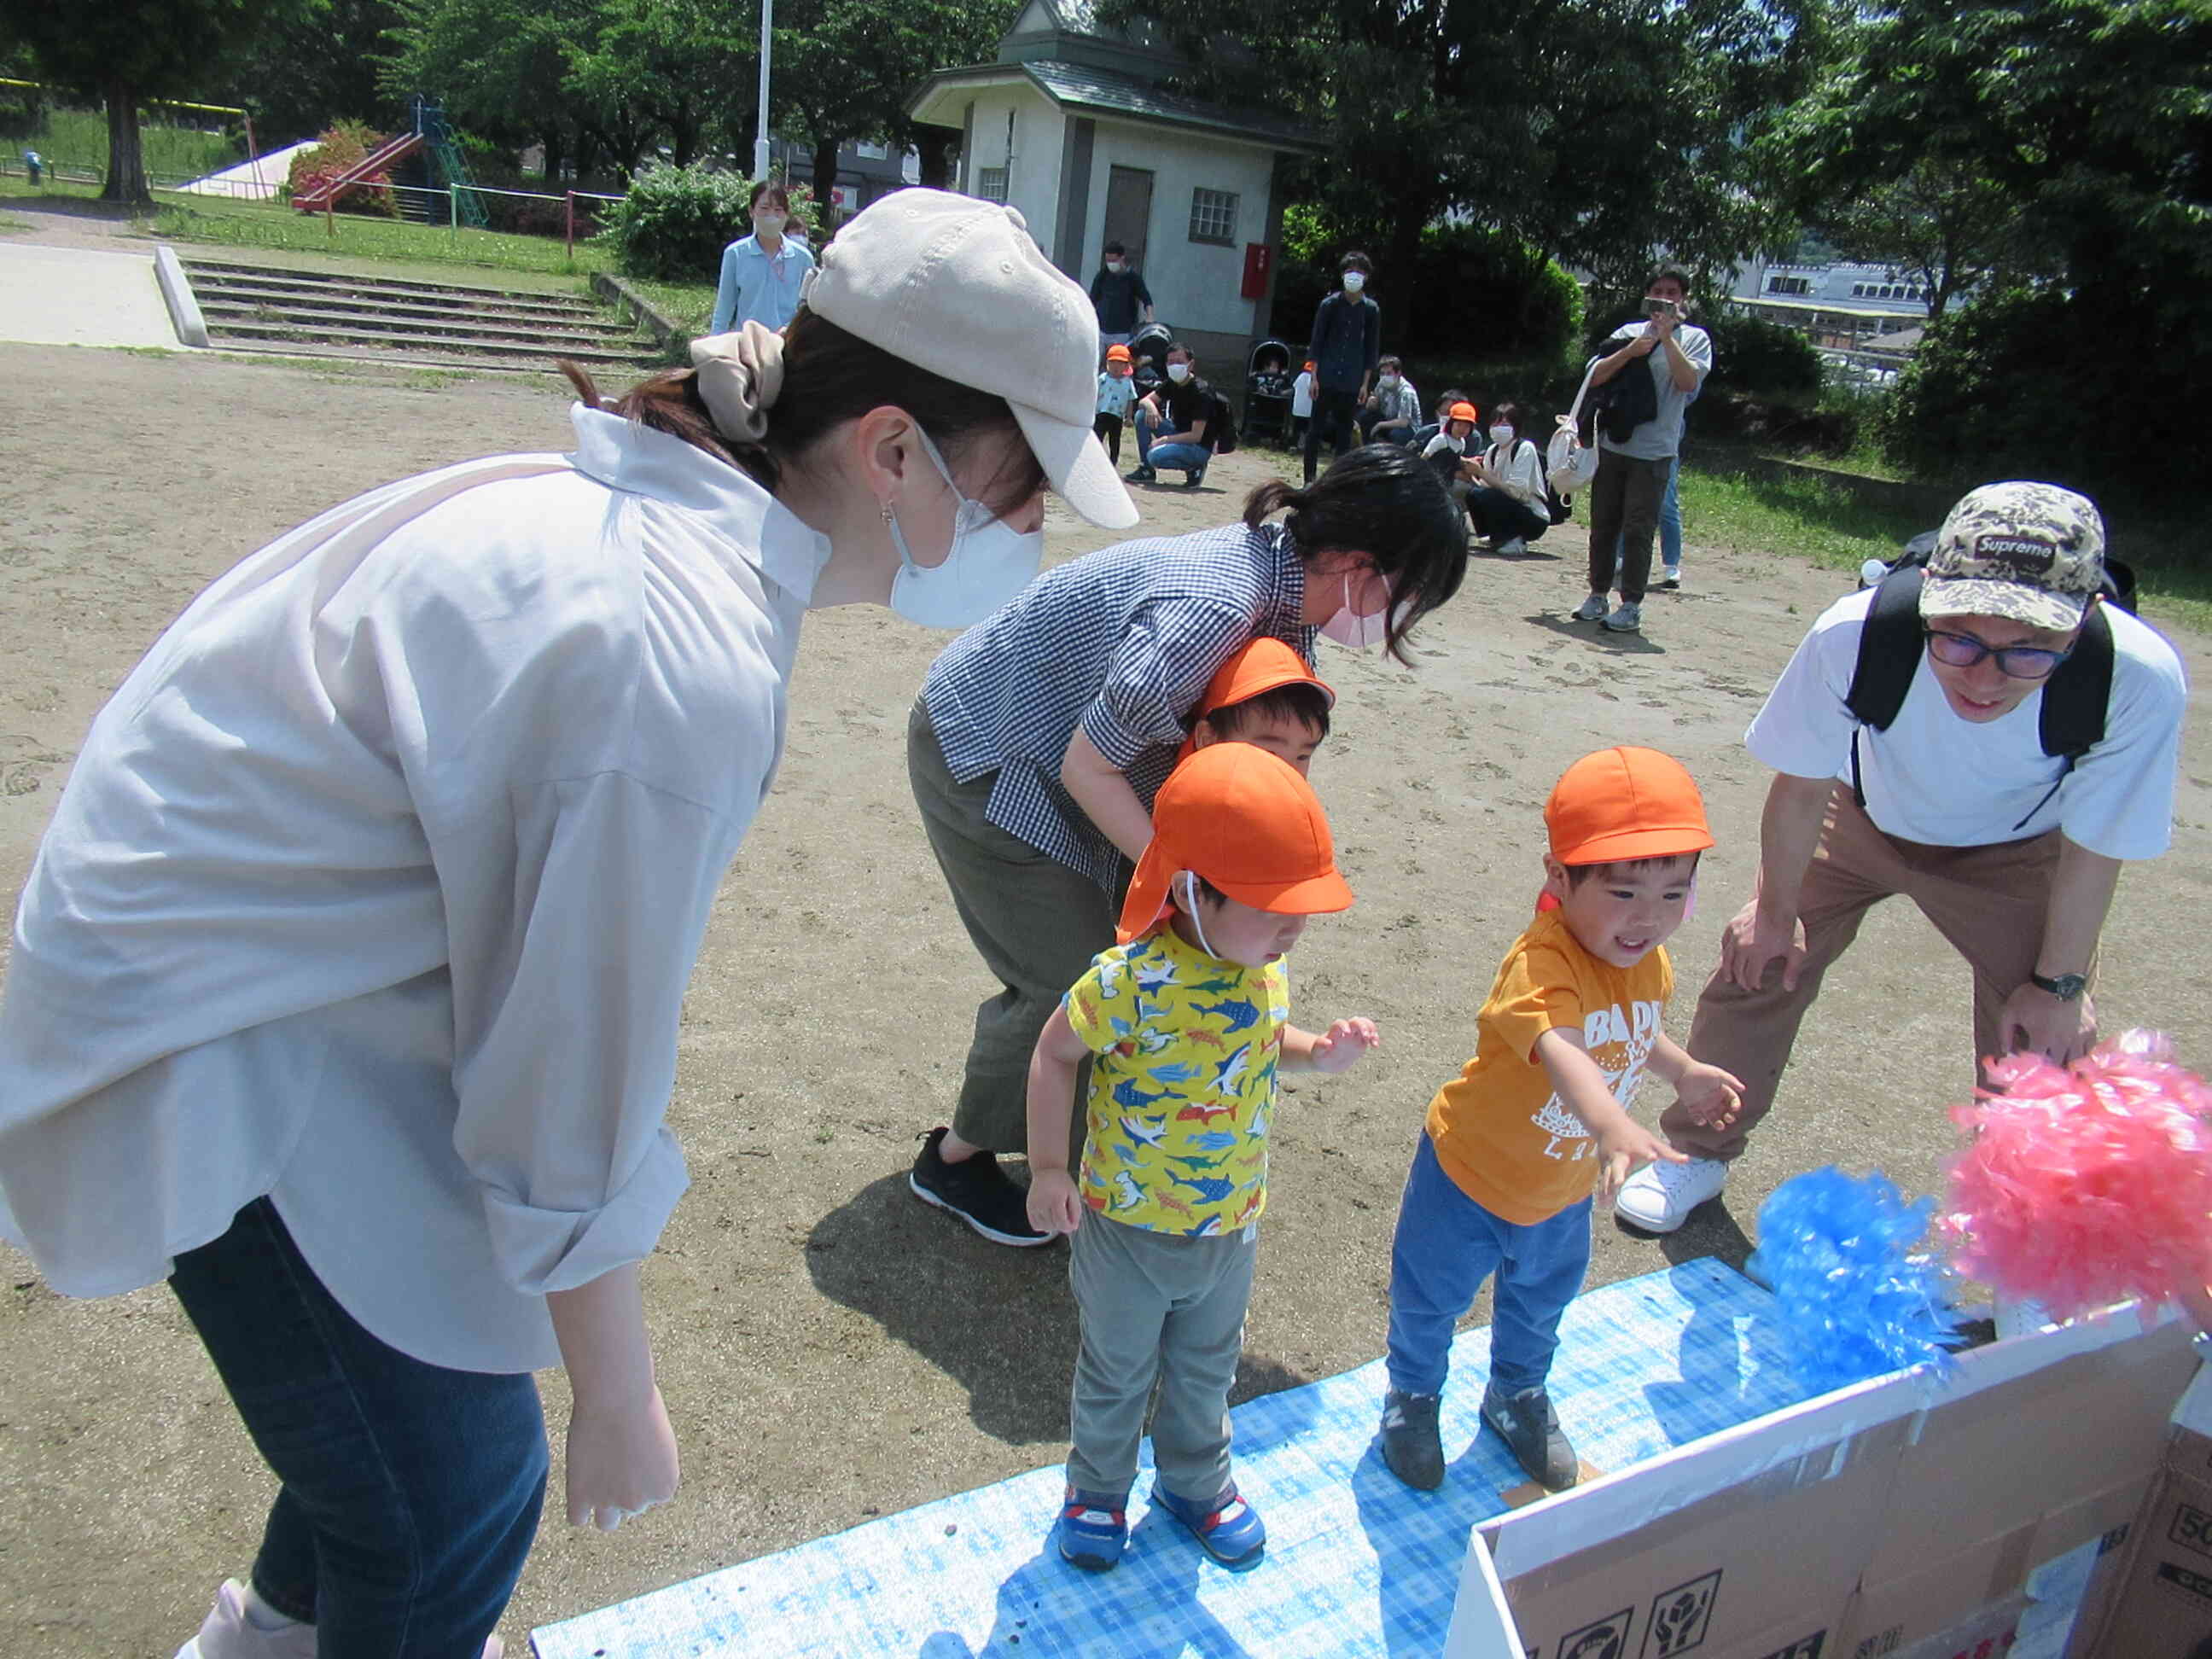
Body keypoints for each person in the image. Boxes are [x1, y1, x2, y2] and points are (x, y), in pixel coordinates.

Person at [0, 189, 1138, 1659]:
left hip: (265, 964)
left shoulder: (664, 532)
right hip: (212, 1019)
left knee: (393, 1444)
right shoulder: (674, 651)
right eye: (1023, 489)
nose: (1030, 531)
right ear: (894, 448)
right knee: (459, 1487)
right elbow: (564, 1077)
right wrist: (615, 1388)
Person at [906, 448, 1466, 1247]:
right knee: (1069, 972)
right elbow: (1087, 765)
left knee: (1138, 960)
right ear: (1352, 562)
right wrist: (1185, 877)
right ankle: (956, 1161)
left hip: (1082, 763)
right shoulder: (1217, 602)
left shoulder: (1289, 606)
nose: (1398, 623)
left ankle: (1075, 1145)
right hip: (992, 748)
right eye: (1406, 596)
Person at [1615, 483, 2190, 1235]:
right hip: (1858, 817)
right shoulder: (1856, 634)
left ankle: (2014, 1228)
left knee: (2041, 1039)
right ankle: (1697, 1150)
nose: (1984, 678)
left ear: (2081, 624)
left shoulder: (2137, 677)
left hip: (2019, 850)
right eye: (1957, 639)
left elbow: (2095, 846)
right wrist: (1775, 914)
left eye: (2027, 650)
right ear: (1926, 599)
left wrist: (2060, 982)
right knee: (1755, 965)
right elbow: (1798, 790)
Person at [1026, 742, 1378, 1570]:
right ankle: (1098, 1491)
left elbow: (1255, 1044)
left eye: (1302, 910)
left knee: (1206, 1372)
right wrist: (1048, 1167)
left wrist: (1314, 1053)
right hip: (1127, 1229)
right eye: (1273, 906)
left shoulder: (1261, 968)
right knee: (1116, 1373)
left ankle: (1195, 1480)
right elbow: (1053, 1055)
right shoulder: (1128, 982)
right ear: (1191, 890)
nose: (1293, 927)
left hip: (1229, 1229)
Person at [1378, 748, 1742, 1493]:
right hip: (1471, 1177)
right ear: (1558, 877)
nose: (1649, 919)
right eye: (1623, 892)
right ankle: (1411, 1398)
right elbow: (1563, 1046)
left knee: (1541, 1303)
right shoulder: (1540, 964)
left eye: (1675, 894)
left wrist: (1682, 1070)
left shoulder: (1648, 960)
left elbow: (1634, 1031)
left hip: (1562, 1188)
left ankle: (1516, 1395)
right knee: (1431, 1300)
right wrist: (1610, 1121)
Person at [1571, 269, 1712, 634]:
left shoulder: (1695, 339)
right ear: (1647, 295)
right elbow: (1595, 377)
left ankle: (1631, 603)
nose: (1665, 298)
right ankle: (1597, 593)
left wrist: (1667, 339)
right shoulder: (1626, 333)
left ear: (1684, 299)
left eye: (1673, 293)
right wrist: (1633, 350)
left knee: (1639, 527)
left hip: (1655, 451)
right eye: (1658, 291)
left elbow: (1688, 383)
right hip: (1613, 443)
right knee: (1603, 523)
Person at [1174, 636, 1335, 771]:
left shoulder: (1289, 801)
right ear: (1208, 738)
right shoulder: (1184, 800)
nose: (1289, 772)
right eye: (1269, 755)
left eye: (1303, 757)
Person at [1305, 253, 1381, 485]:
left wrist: (1365, 384)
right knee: (1315, 429)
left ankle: (1336, 481)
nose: (1353, 276)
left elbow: (1371, 348)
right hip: (1326, 374)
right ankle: (1309, 478)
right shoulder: (1329, 305)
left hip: (1352, 377)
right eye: (1349, 271)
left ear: (1366, 277)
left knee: (1344, 431)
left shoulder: (1371, 309)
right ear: (1342, 275)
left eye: (1358, 272)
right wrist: (1313, 377)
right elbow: (1316, 342)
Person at [709, 179, 817, 335]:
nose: (771, 216)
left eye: (778, 210)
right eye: (764, 208)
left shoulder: (803, 258)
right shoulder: (735, 254)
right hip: (747, 346)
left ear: (787, 214)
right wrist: (715, 345)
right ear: (751, 211)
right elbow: (724, 309)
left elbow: (808, 310)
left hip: (787, 347)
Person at [1464, 401, 1551, 555]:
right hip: (1509, 505)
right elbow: (1485, 488)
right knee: (1473, 494)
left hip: (1532, 516)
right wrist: (1472, 474)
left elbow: (1518, 493)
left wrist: (1482, 472)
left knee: (1490, 496)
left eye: (1505, 424)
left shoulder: (1524, 448)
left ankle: (1515, 540)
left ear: (1516, 426)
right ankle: (1495, 535)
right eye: (1496, 423)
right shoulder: (1492, 450)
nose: (1499, 428)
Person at [1129, 343, 1215, 487]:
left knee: (1154, 456)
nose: (1174, 366)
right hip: (1178, 433)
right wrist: (1151, 408)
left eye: (1180, 362)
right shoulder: (1172, 383)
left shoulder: (1202, 392)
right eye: (1170, 362)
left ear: (1191, 364)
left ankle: (1195, 466)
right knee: (1141, 415)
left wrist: (1164, 440)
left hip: (1198, 446)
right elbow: (1144, 401)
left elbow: (1196, 436)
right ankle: (1146, 470)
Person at [1420, 400, 1482, 527]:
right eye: (1458, 424)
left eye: (1466, 426)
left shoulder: (1462, 443)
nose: (1462, 429)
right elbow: (1424, 457)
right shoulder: (1441, 440)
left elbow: (1456, 460)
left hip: (1447, 481)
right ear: (1451, 424)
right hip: (1432, 479)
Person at [1089, 242, 1155, 359]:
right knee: (1095, 360)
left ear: (1122, 258)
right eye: (1108, 260)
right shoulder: (1102, 276)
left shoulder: (1132, 278)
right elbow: (1092, 299)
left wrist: (1149, 316)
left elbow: (1146, 298)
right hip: (1102, 329)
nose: (1110, 264)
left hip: (1122, 332)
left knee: (1117, 361)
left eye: (1113, 260)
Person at [1359, 356, 1421, 446]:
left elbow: (1403, 422)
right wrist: (1370, 404)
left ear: (1398, 373)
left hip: (1408, 428)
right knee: (1365, 417)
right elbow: (1375, 407)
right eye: (1382, 373)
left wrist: (1380, 425)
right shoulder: (1381, 385)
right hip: (1388, 421)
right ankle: (1367, 447)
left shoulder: (1406, 392)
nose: (1385, 377)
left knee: (1396, 434)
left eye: (1389, 373)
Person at [1096, 342, 1137, 465]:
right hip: (1101, 414)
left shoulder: (1128, 382)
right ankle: (1095, 460)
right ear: (1107, 364)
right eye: (1112, 362)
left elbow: (1130, 399)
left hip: (1117, 416)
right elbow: (1094, 394)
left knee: (1115, 441)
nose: (1116, 366)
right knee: (1097, 438)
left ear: (1126, 366)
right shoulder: (1102, 378)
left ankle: (1113, 462)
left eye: (1120, 363)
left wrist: (1129, 417)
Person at [1290, 359, 1317, 448]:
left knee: (1297, 429)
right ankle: (1304, 445)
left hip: (1298, 409)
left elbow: (1294, 387)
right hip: (1308, 411)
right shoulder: (1314, 380)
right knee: (1307, 430)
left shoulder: (1300, 376)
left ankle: (1294, 444)